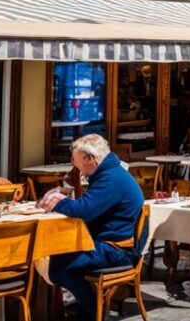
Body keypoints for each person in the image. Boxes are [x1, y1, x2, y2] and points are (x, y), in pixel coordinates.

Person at [41, 135, 145, 321]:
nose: (74, 164)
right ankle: (87, 306)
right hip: (115, 245)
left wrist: (58, 202)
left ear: (91, 159)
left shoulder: (110, 178)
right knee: (62, 256)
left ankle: (94, 311)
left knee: (59, 265)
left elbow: (83, 211)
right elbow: (92, 206)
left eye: (76, 159)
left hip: (117, 250)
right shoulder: (112, 172)